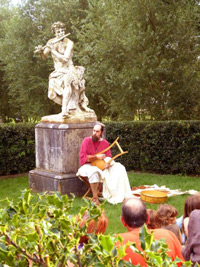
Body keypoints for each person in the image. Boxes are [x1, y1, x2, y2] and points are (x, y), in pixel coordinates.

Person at [35, 21, 94, 117]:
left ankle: (64, 110)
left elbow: (65, 58)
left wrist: (53, 50)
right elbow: (44, 57)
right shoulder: (51, 42)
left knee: (67, 83)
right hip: (57, 72)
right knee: (51, 95)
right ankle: (68, 106)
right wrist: (41, 51)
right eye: (58, 32)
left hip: (69, 70)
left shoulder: (69, 43)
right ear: (54, 32)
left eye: (62, 31)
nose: (61, 33)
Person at [117, 198, 184, 266]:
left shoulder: (116, 243)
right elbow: (182, 263)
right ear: (147, 218)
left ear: (123, 221)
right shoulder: (168, 236)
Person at [76, 124, 132, 205]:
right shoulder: (86, 141)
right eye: (94, 131)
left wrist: (108, 164)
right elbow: (83, 158)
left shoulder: (105, 143)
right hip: (88, 166)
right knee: (94, 172)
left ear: (102, 133)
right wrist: (96, 157)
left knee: (120, 167)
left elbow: (108, 157)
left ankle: (118, 193)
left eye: (97, 131)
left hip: (101, 166)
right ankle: (95, 199)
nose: (95, 133)